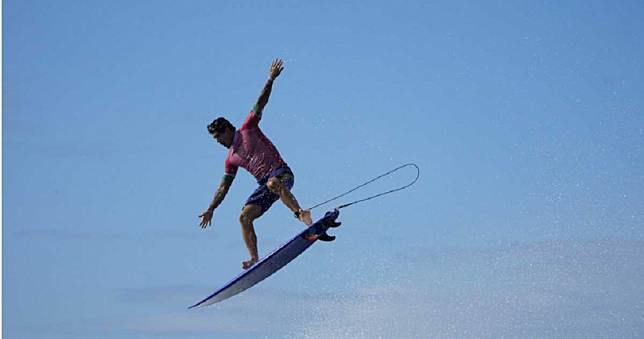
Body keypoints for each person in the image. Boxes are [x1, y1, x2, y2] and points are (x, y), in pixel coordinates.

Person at [199, 58, 334, 270]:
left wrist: (270, 79)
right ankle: (254, 258)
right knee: (244, 217)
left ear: (226, 130)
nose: (218, 143)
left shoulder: (247, 129)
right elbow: (223, 187)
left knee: (272, 183)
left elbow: (260, 102)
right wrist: (211, 208)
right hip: (266, 184)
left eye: (218, 138)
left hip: (282, 174)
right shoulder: (230, 159)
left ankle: (301, 213)